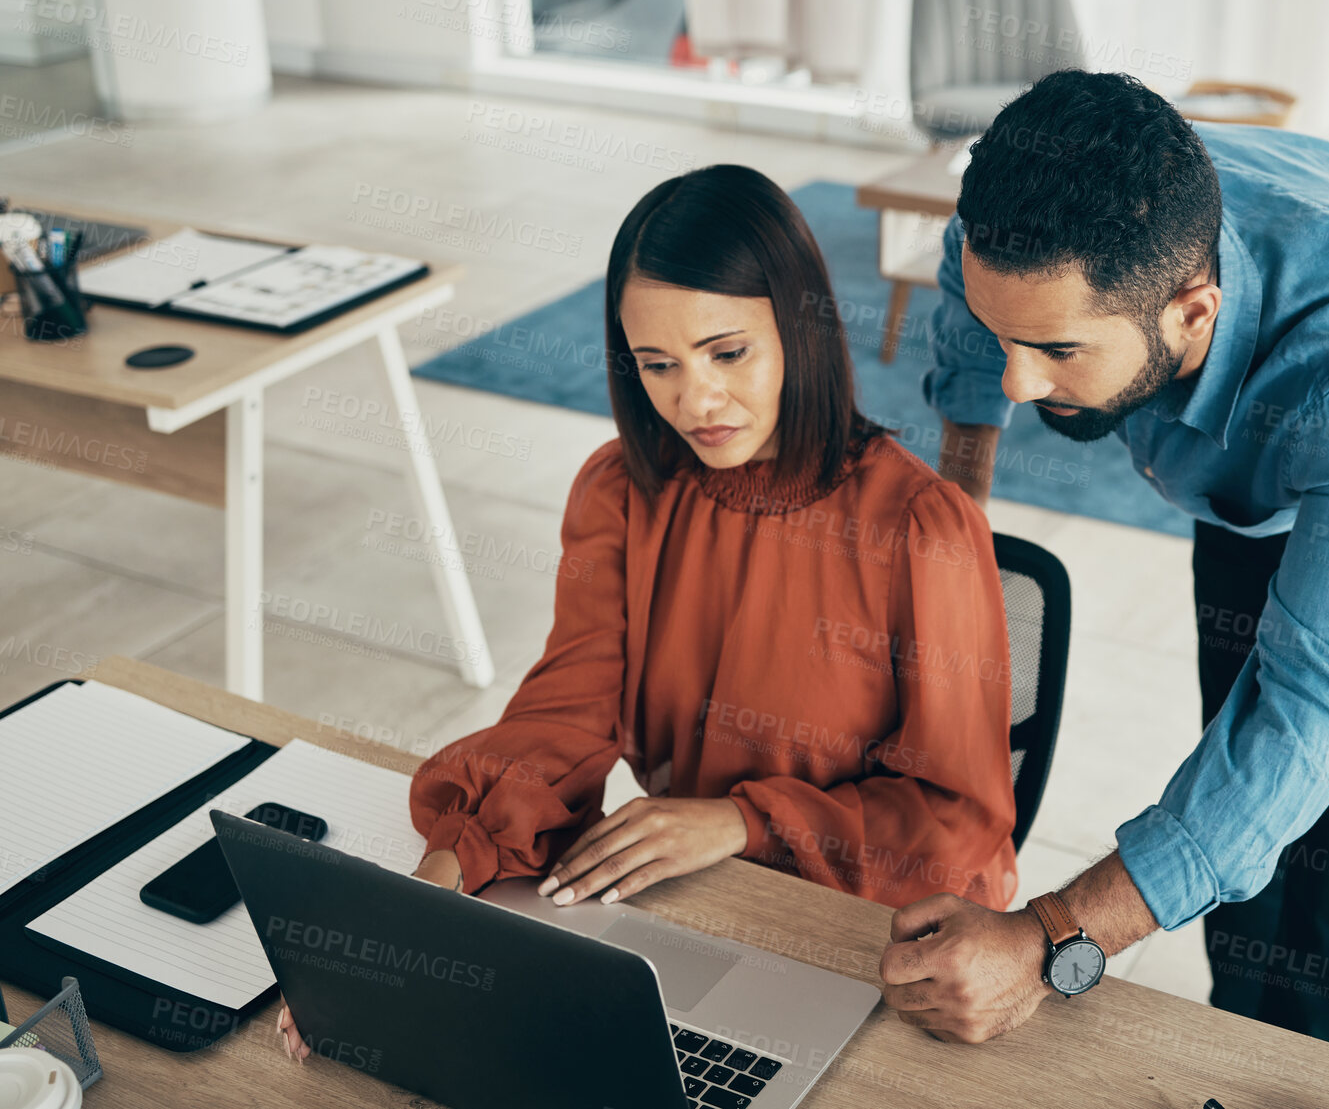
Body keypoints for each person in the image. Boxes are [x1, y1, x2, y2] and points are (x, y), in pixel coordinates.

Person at [877, 70, 1329, 1054]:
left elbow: (1305, 718)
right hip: (1264, 464)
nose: (1023, 384)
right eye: (1007, 339)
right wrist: (960, 522)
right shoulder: (1033, 234)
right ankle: (1238, 1050)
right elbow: (966, 294)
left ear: (1193, 313)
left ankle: (1315, 1078)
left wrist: (1047, 945)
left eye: (1059, 351)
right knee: (1240, 805)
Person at [281, 163, 1017, 1060]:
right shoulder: (621, 491)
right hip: (690, 910)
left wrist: (743, 819)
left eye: (727, 352)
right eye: (657, 364)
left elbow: (958, 825)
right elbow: (567, 710)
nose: (693, 401)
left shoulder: (922, 528)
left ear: (801, 325)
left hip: (866, 944)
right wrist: (438, 882)